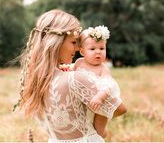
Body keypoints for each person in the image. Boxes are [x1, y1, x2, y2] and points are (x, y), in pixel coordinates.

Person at [16, 9, 127, 142]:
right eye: (74, 42)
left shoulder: (36, 81)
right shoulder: (75, 78)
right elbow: (120, 109)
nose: (76, 49)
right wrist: (100, 128)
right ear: (56, 42)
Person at [69, 25, 121, 137]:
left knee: (98, 130)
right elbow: (71, 75)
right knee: (83, 125)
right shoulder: (79, 62)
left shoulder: (103, 68)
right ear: (82, 51)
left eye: (102, 48)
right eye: (92, 49)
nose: (98, 52)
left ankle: (103, 133)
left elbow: (108, 85)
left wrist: (100, 97)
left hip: (100, 103)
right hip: (84, 100)